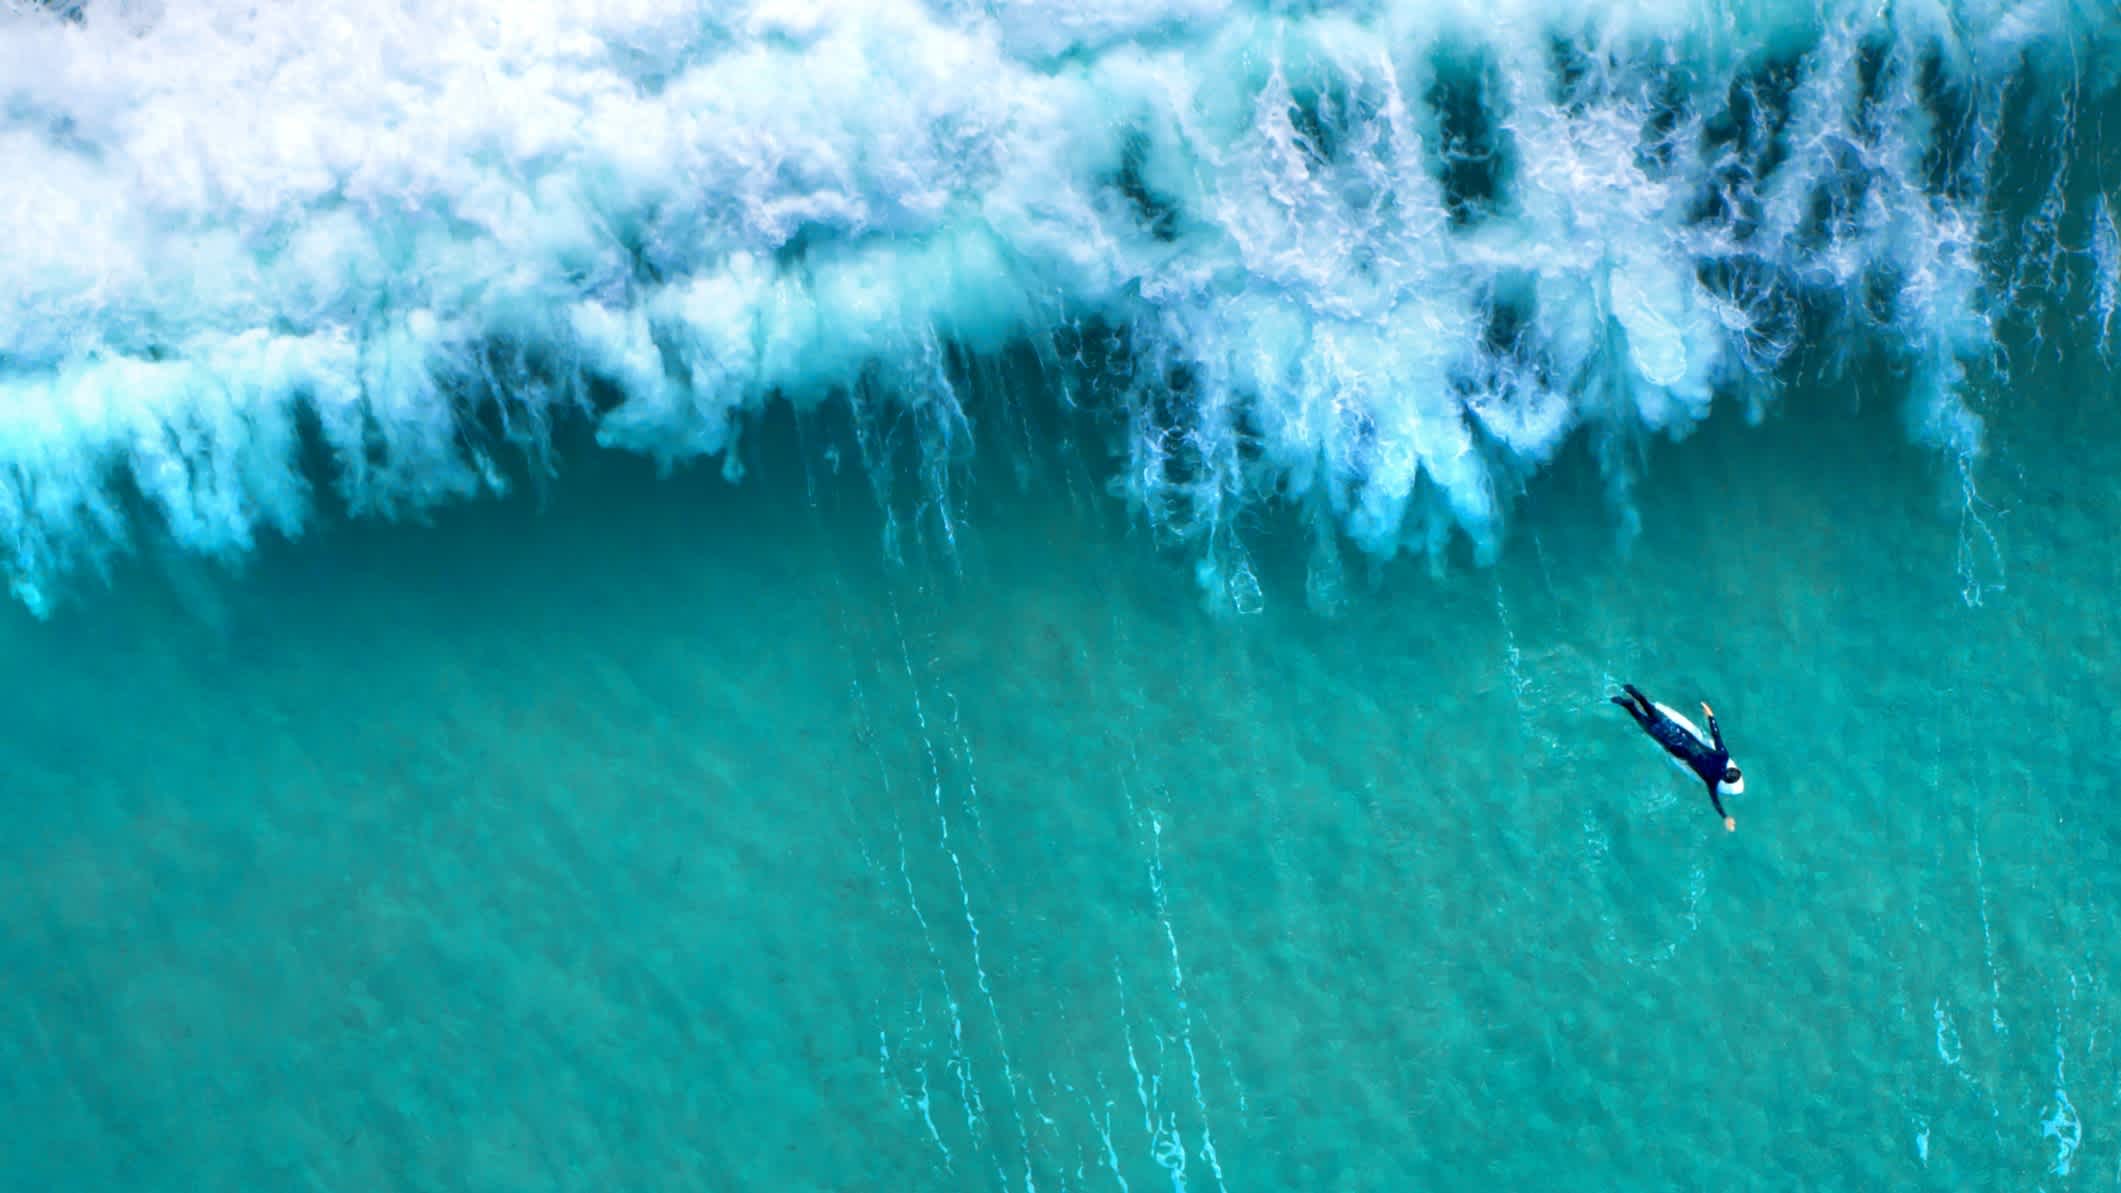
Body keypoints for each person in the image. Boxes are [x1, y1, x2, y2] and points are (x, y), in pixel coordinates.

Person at [1611, 683, 1744, 831]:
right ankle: (1628, 705)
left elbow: (1716, 734)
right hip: (1674, 747)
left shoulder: (1723, 756)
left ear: (1729, 769)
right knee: (1646, 724)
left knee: (1653, 712)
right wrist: (1725, 817)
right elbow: (1716, 803)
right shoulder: (1711, 780)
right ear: (1725, 780)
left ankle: (1634, 693)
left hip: (1681, 734)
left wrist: (1710, 716)